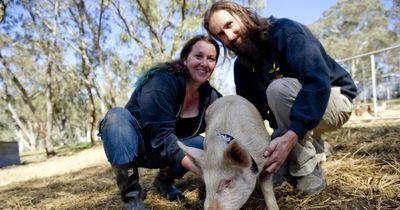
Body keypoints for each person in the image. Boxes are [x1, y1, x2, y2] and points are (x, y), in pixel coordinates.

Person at [203, 1, 357, 195]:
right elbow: (252, 113)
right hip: (296, 119)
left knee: (278, 89)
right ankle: (318, 146)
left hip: (333, 101)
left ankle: (307, 168)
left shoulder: (285, 32)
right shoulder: (241, 67)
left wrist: (292, 135)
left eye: (229, 25)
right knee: (269, 174)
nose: (229, 37)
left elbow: (317, 82)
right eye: (220, 35)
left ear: (242, 15)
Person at [98, 35, 222, 210]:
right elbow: (162, 136)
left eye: (211, 59)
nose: (204, 63)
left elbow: (227, 125)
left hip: (165, 153)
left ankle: (164, 180)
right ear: (185, 59)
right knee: (116, 117)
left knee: (201, 143)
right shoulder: (162, 82)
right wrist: (201, 169)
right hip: (138, 147)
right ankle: (131, 198)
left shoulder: (211, 96)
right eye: (198, 56)